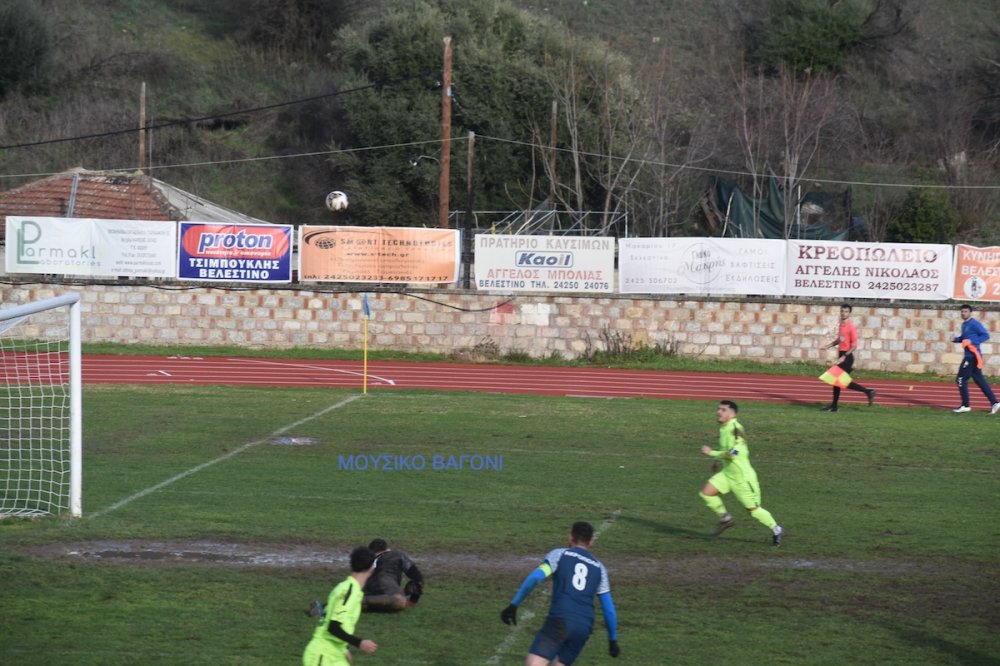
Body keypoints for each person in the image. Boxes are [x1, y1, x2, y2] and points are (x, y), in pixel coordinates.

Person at [500, 521, 620, 665]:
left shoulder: (560, 554)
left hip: (561, 620)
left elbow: (535, 578)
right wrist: (613, 640)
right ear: (591, 542)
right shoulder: (600, 568)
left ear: (570, 538)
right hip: (584, 627)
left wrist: (514, 604)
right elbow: (609, 609)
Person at [699, 400, 784, 546]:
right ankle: (725, 519)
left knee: (753, 510)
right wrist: (717, 462)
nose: (719, 412)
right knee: (706, 493)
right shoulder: (723, 428)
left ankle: (776, 529)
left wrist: (711, 453)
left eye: (723, 410)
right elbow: (725, 449)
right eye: (718, 409)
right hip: (727, 473)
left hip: (742, 479)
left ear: (732, 414)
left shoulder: (736, 430)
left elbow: (733, 453)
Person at [302, 546, 379, 666]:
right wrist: (359, 643)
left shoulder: (348, 588)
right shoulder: (349, 592)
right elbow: (333, 627)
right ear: (372, 568)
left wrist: (344, 648)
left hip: (334, 652)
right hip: (323, 654)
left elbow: (331, 618)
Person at [821, 303, 876, 412]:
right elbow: (840, 339)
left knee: (838, 380)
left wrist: (844, 357)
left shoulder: (851, 326)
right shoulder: (841, 324)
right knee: (837, 381)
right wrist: (828, 346)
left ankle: (867, 391)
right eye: (842, 311)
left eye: (846, 311)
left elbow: (854, 345)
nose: (843, 313)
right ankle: (834, 406)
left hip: (847, 357)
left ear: (849, 313)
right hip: (842, 355)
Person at [951, 304, 1000, 414]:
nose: (963, 313)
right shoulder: (964, 325)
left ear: (970, 312)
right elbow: (964, 339)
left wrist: (972, 342)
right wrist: (956, 339)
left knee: (960, 379)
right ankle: (995, 403)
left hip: (972, 356)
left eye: (965, 311)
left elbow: (985, 335)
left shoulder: (974, 323)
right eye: (962, 311)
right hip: (970, 355)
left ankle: (965, 405)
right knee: (979, 380)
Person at [362, 538, 424, 612]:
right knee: (398, 602)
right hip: (389, 591)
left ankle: (362, 602)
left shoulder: (367, 560)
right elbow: (418, 579)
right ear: (387, 548)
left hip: (368, 592)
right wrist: (413, 600)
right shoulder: (398, 555)